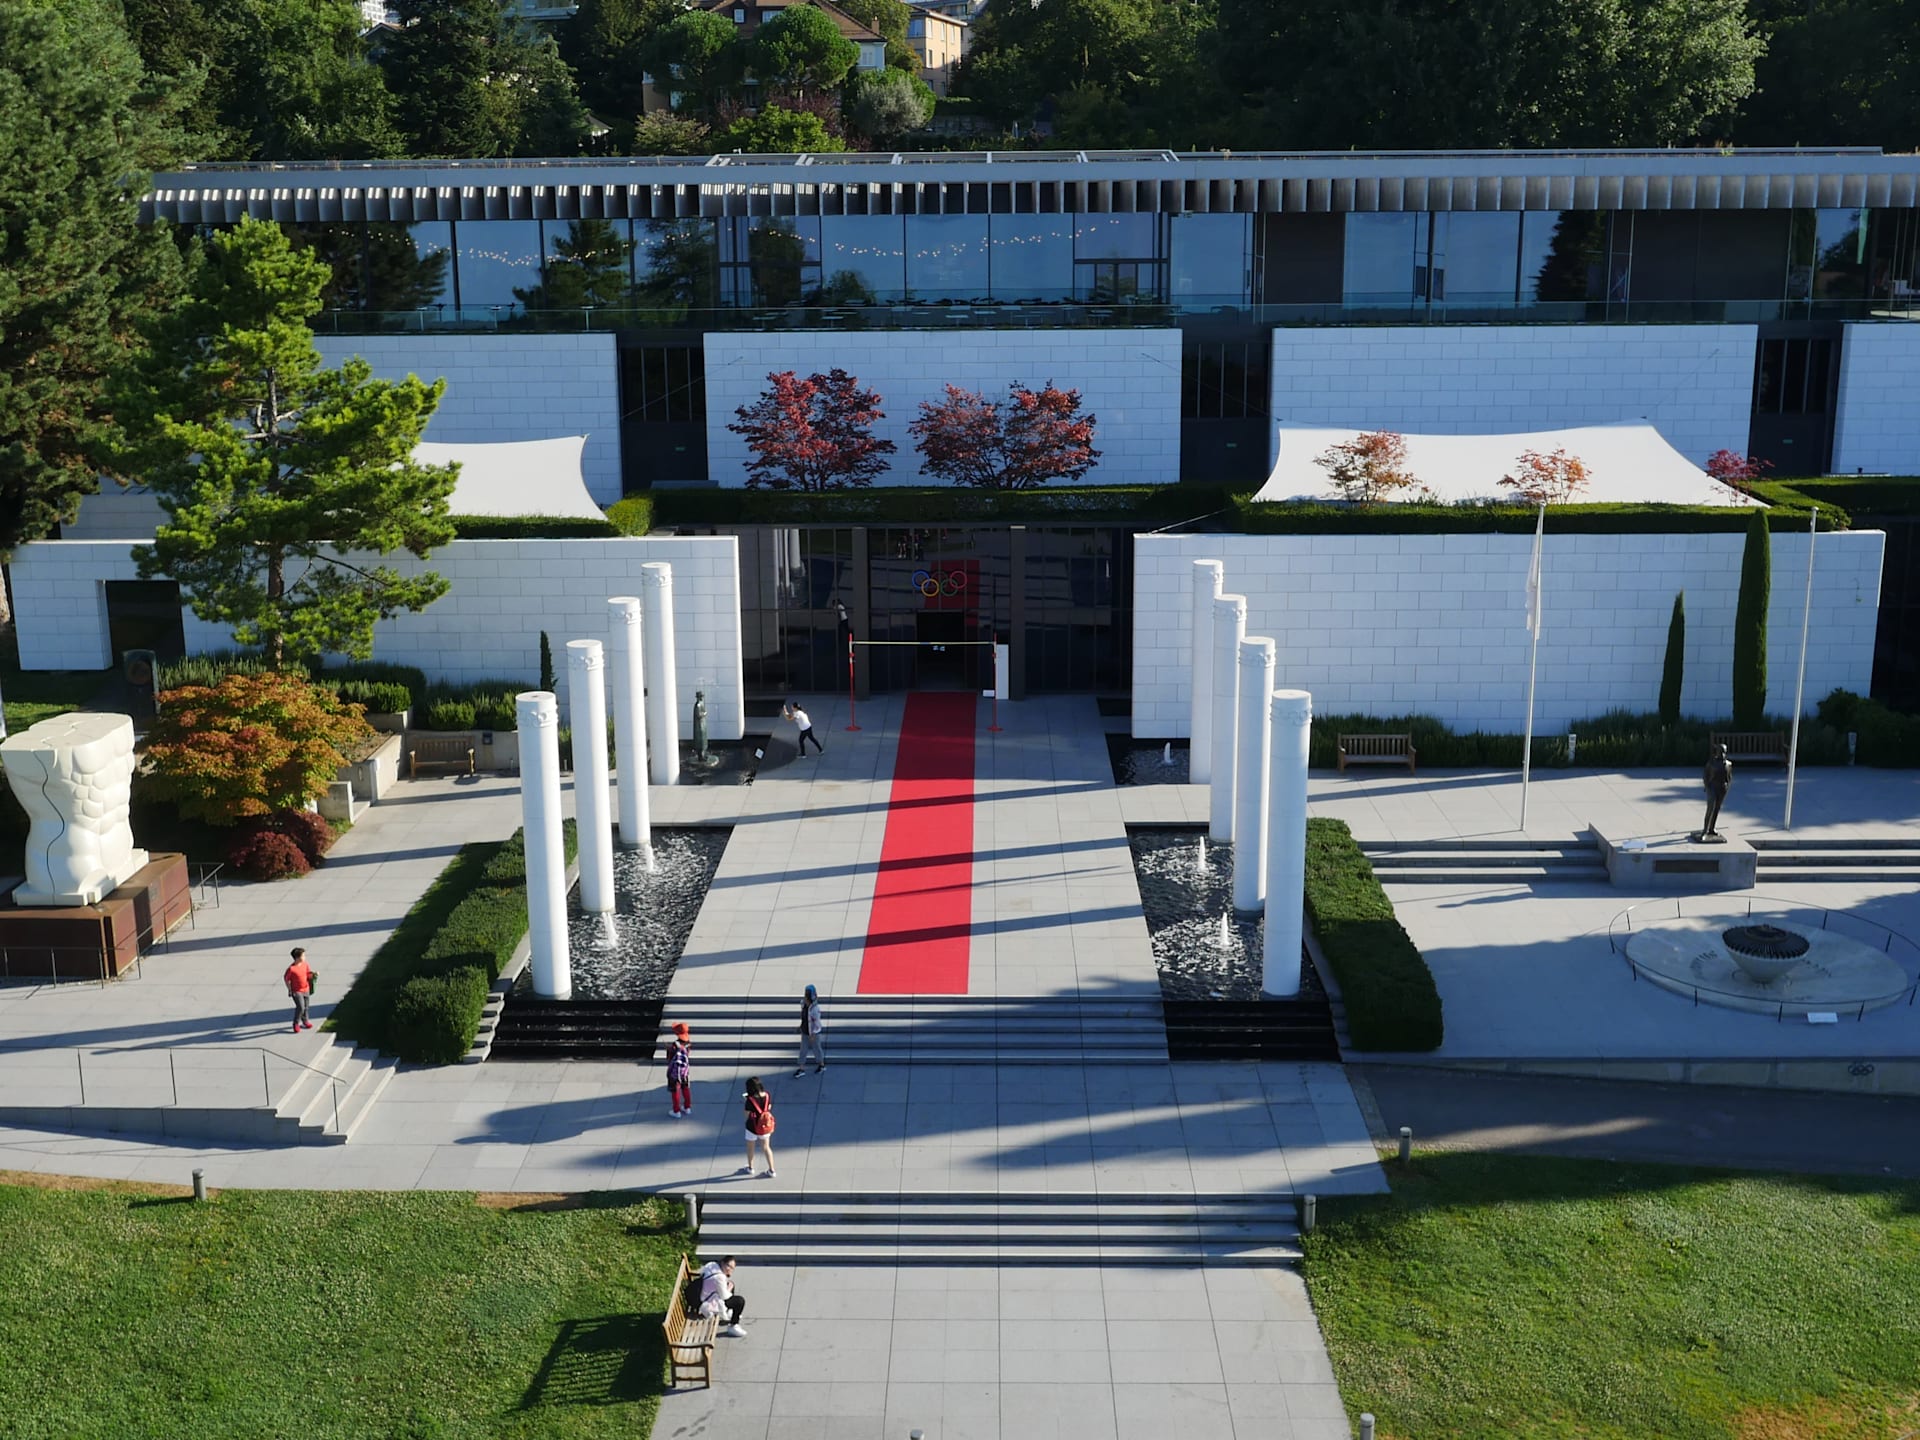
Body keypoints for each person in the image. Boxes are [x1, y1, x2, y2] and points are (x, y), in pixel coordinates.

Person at [699, 1255, 747, 1337]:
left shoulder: (712, 1265)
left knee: (730, 1284)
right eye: (728, 1266)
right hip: (708, 1302)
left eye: (732, 1268)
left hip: (703, 1294)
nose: (729, 1269)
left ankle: (730, 1312)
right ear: (722, 1263)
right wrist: (729, 1288)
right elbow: (724, 1296)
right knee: (739, 1301)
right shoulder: (720, 1277)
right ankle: (733, 1325)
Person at [741, 1076, 776, 1178]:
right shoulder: (767, 1096)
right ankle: (772, 1170)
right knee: (766, 1147)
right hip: (765, 1125)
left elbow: (746, 1114)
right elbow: (769, 1107)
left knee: (750, 1147)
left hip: (752, 1126)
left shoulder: (750, 1100)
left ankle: (750, 1168)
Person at [794, 984, 826, 1078]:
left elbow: (817, 1023)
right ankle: (801, 1068)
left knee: (816, 1048)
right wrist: (800, 1027)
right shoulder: (803, 1004)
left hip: (813, 1033)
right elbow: (804, 1018)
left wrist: (813, 1034)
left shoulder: (815, 1009)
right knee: (803, 1050)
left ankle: (821, 1065)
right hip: (805, 1031)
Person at [283, 947, 315, 1034]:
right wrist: (289, 989)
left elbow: (308, 974)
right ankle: (296, 1023)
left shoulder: (305, 965)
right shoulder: (291, 969)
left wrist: (313, 976)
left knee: (306, 1007)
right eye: (303, 955)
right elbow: (286, 979)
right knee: (301, 1007)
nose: (305, 957)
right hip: (297, 991)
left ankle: (305, 1021)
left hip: (306, 989)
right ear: (297, 957)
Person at [665, 1021, 693, 1118]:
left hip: (675, 1072)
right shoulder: (688, 1043)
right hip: (684, 1070)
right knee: (686, 1088)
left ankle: (676, 1111)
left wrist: (668, 1049)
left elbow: (669, 1058)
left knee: (675, 1091)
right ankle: (687, 1107)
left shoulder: (674, 1045)